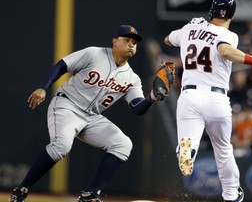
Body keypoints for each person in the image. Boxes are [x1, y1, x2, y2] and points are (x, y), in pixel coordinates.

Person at [9, 25, 163, 202]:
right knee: (61, 146)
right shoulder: (94, 54)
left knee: (123, 144)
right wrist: (43, 88)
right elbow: (62, 65)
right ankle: (21, 190)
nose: (131, 45)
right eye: (127, 40)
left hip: (92, 117)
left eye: (134, 42)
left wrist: (152, 97)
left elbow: (137, 108)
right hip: (67, 105)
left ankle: (89, 195)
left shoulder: (132, 78)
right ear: (114, 41)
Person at [164, 0, 252, 202]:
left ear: (211, 10)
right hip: (216, 98)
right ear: (233, 14)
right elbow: (224, 50)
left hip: (189, 95)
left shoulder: (188, 30)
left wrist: (192, 27)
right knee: (223, 149)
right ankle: (230, 195)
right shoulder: (227, 34)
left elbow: (167, 40)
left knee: (188, 142)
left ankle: (187, 150)